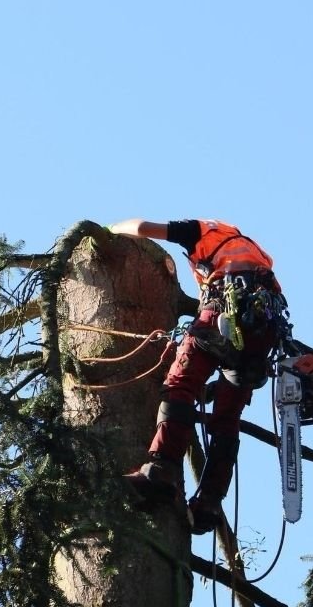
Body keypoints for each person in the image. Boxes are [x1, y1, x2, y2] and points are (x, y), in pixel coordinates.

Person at [109, 218, 287, 534]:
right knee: (227, 419)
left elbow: (141, 228)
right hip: (263, 331)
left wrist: (108, 230)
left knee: (181, 383)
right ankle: (209, 502)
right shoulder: (257, 256)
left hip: (224, 309)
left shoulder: (203, 232)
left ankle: (160, 469)